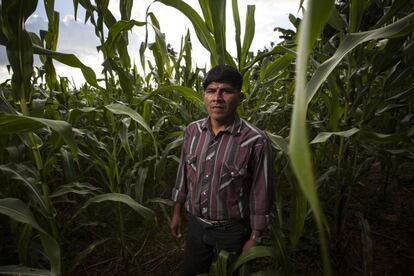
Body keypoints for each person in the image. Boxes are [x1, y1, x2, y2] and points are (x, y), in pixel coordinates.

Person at [170, 64, 274, 275]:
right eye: (211, 91)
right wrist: (177, 212)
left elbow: (261, 192)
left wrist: (255, 237)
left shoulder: (255, 140)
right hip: (196, 227)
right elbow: (183, 174)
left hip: (233, 232)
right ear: (204, 96)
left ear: (240, 97)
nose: (217, 97)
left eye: (225, 91)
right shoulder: (192, 131)